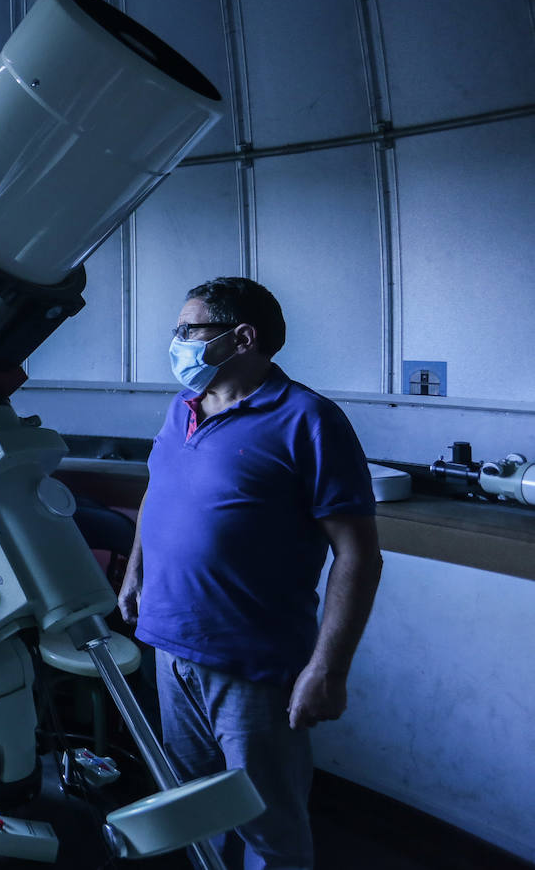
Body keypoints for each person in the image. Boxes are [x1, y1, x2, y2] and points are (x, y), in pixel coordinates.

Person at [118, 277, 383, 870]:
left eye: (189, 330)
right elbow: (158, 493)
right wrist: (135, 572)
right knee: (197, 808)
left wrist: (329, 669)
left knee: (267, 825)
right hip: (169, 643)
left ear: (242, 338)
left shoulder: (308, 420)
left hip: (252, 662)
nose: (177, 342)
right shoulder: (182, 408)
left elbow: (359, 555)